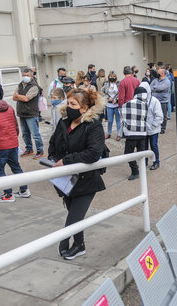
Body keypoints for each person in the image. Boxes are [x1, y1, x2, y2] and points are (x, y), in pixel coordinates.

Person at [49, 88, 106, 260]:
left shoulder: (93, 125)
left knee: (75, 216)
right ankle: (79, 245)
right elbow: (53, 144)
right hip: (66, 179)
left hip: (86, 180)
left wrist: (66, 161)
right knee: (74, 215)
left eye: (73, 104)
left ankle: (65, 240)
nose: (68, 106)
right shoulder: (64, 123)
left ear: (84, 107)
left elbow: (93, 153)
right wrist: (52, 159)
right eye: (68, 102)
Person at [0, 88, 31, 203]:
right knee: (16, 166)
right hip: (12, 143)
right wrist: (13, 139)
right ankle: (24, 190)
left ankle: (8, 194)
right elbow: (16, 126)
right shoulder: (9, 107)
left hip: (0, 146)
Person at [121, 87, 148, 180]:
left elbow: (122, 115)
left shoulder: (127, 104)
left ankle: (135, 171)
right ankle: (142, 170)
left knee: (128, 154)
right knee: (141, 154)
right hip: (142, 133)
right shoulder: (146, 105)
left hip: (131, 133)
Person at [140, 82, 163, 170]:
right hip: (144, 129)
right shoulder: (140, 100)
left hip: (153, 129)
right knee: (144, 146)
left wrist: (153, 125)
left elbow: (159, 116)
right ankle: (144, 162)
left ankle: (156, 162)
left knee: (153, 145)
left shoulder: (154, 101)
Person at [150, 68, 171, 134]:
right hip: (154, 101)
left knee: (163, 115)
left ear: (162, 73)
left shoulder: (167, 81)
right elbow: (150, 87)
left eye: (158, 72)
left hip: (163, 101)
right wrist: (156, 87)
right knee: (153, 114)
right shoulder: (155, 80)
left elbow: (162, 88)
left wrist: (155, 87)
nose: (157, 74)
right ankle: (155, 126)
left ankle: (162, 128)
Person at [102, 71, 121, 140]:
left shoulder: (118, 84)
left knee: (118, 120)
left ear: (115, 77)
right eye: (110, 76)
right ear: (108, 77)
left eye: (113, 76)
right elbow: (102, 92)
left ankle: (119, 134)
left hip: (116, 105)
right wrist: (108, 97)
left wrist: (116, 99)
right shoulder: (106, 84)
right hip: (109, 105)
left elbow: (121, 92)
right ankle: (109, 133)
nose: (112, 78)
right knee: (109, 120)